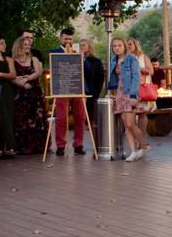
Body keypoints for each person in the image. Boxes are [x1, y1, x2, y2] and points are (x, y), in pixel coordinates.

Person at [49, 27, 87, 155]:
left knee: (80, 117)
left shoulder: (78, 52)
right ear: (61, 38)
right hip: (61, 89)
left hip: (76, 88)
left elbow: (83, 70)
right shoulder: (54, 52)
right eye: (65, 38)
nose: (68, 41)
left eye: (70, 39)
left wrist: (80, 57)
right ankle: (60, 146)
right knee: (61, 118)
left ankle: (78, 144)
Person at [108, 37, 146, 162]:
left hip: (130, 93)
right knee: (126, 125)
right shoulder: (113, 60)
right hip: (119, 93)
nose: (117, 48)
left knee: (131, 124)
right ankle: (133, 151)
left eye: (119, 45)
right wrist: (111, 91)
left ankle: (144, 147)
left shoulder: (131, 59)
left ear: (124, 46)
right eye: (114, 46)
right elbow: (113, 78)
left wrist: (134, 95)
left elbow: (136, 77)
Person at [10, 35, 48, 154]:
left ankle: (38, 146)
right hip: (19, 94)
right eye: (25, 44)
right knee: (21, 120)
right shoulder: (12, 61)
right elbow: (11, 76)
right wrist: (21, 84)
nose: (28, 47)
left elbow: (38, 72)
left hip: (34, 92)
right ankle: (21, 147)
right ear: (19, 46)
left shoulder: (34, 59)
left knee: (37, 119)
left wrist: (28, 79)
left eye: (28, 44)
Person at [125, 37, 152, 155]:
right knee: (130, 116)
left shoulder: (143, 57)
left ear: (135, 45)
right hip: (128, 89)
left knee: (142, 114)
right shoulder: (124, 58)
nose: (128, 47)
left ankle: (142, 139)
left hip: (141, 89)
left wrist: (139, 69)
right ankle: (136, 140)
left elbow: (151, 71)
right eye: (126, 45)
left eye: (130, 44)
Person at [80, 38, 105, 126]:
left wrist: (97, 92)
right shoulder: (75, 60)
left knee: (91, 113)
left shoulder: (96, 61)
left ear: (89, 46)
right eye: (80, 45)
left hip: (91, 90)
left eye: (83, 45)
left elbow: (100, 78)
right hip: (78, 90)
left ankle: (92, 128)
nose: (81, 47)